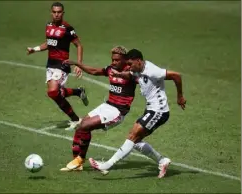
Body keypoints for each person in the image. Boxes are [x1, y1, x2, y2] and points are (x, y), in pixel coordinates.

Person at [89, 49, 187, 178]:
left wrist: (180, 96)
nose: (129, 67)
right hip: (150, 110)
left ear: (139, 61)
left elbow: (176, 76)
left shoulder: (153, 71)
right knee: (135, 142)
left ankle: (106, 165)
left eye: (130, 64)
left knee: (132, 136)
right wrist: (119, 75)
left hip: (159, 111)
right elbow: (131, 75)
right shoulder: (137, 70)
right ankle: (162, 161)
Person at [27, 2, 88, 129]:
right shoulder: (48, 26)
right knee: (54, 94)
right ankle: (78, 92)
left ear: (63, 13)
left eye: (59, 12)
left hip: (62, 64)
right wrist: (35, 49)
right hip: (50, 64)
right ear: (51, 13)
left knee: (53, 92)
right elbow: (49, 43)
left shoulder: (67, 28)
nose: (56, 14)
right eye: (54, 12)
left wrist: (79, 64)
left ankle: (76, 119)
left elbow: (79, 45)